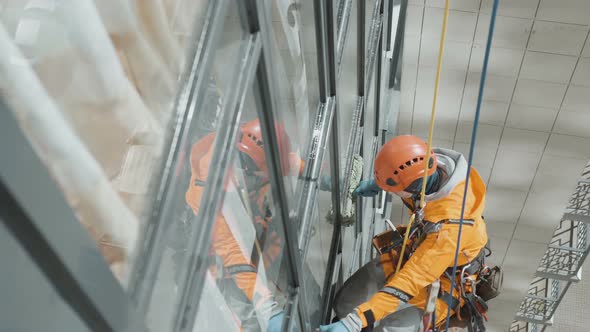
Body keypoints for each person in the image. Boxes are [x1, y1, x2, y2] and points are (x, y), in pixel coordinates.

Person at [319, 135, 489, 332]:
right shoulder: (432, 168)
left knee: (392, 328)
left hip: (447, 282)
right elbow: (404, 174)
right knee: (346, 302)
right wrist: (376, 184)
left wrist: (354, 323)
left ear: (413, 188)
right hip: (416, 251)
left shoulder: (449, 229)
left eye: (396, 189)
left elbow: (410, 281)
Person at [185, 119, 301, 332]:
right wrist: (266, 306)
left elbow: (285, 163)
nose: (267, 179)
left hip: (255, 252)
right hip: (225, 270)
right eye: (262, 175)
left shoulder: (249, 158)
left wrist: (321, 177)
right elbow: (232, 254)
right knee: (245, 323)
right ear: (247, 168)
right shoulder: (205, 193)